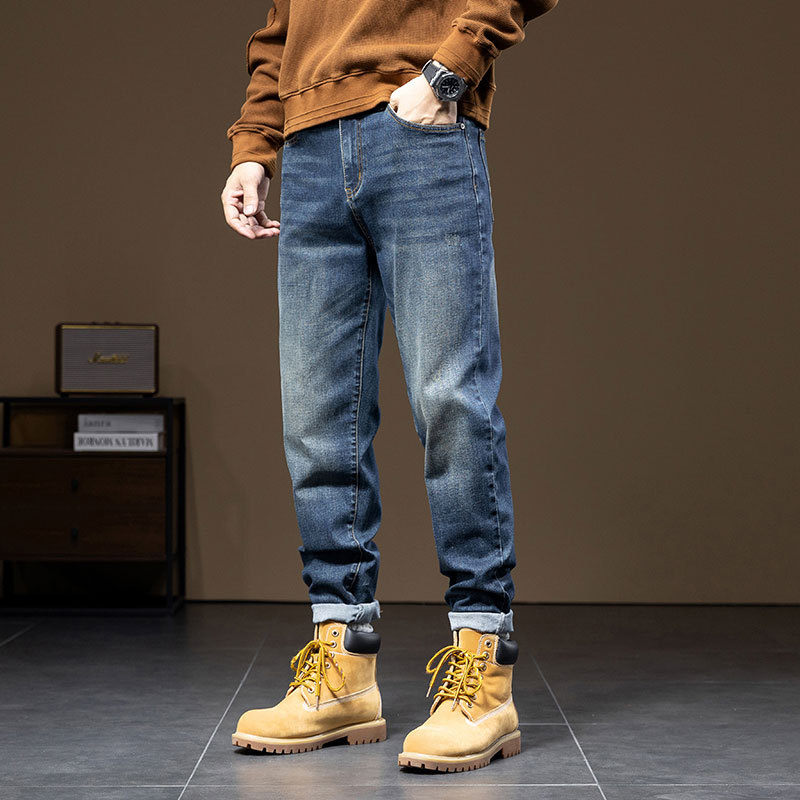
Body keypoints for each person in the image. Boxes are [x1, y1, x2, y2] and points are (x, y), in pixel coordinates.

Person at [220, 0, 559, 773]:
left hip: (422, 129)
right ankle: (343, 669)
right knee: (316, 419)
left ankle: (485, 670)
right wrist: (255, 142)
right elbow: (281, 27)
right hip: (308, 148)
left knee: (451, 403)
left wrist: (449, 72)